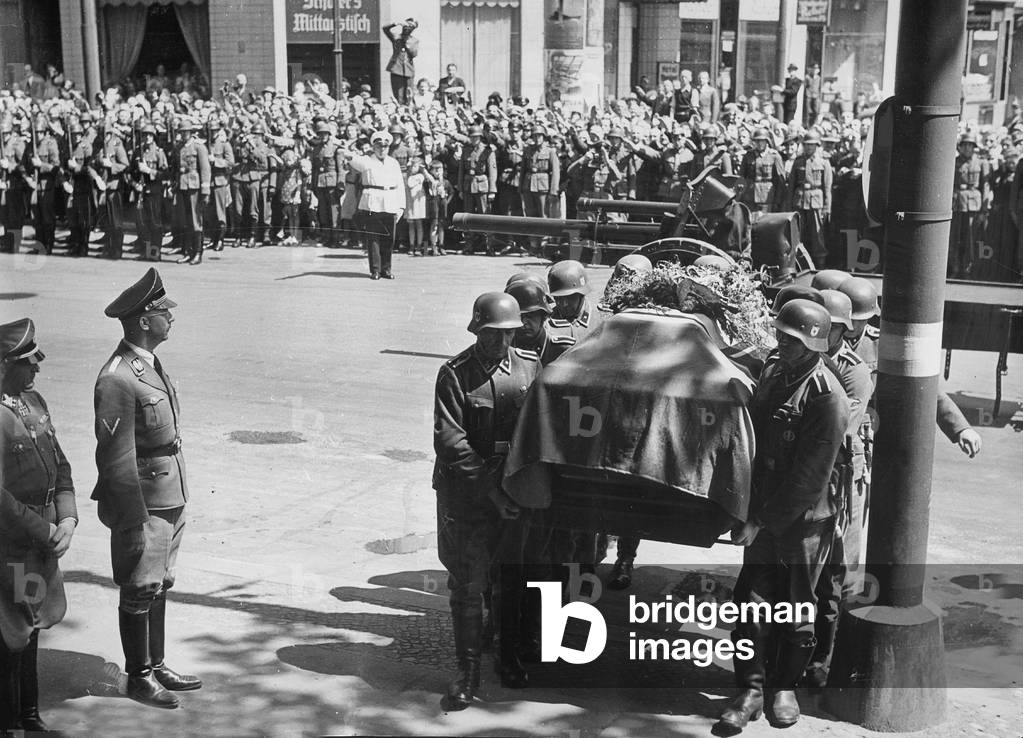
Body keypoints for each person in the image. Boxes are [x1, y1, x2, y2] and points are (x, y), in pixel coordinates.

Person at [720, 299, 849, 730]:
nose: (781, 342)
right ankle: (751, 689)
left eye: (791, 340)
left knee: (796, 607)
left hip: (804, 522)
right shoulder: (775, 372)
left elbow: (808, 481)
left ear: (813, 344)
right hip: (763, 513)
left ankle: (784, 687)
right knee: (753, 605)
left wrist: (759, 521)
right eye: (781, 335)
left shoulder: (828, 397)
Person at [92, 268, 202, 710]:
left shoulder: (148, 364)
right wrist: (133, 519)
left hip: (170, 492)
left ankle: (155, 663)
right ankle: (138, 676)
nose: (170, 318)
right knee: (140, 585)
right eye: (162, 312)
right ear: (142, 320)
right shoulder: (117, 377)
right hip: (144, 501)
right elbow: (114, 457)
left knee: (160, 582)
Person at [433, 292, 541, 710]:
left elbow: (539, 430)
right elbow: (450, 442)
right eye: (493, 334)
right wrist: (492, 492)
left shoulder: (531, 368)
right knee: (469, 585)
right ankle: (468, 670)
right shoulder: (455, 374)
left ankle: (509, 657)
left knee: (513, 578)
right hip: (468, 497)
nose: (501, 343)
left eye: (508, 334)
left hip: (513, 491)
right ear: (477, 330)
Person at [0, 318, 77, 733]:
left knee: (31, 625)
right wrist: (44, 530)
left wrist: (66, 517)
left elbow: (60, 464)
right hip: (13, 543)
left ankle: (28, 716)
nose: (37, 369)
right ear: (4, 365)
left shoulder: (34, 402)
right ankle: (9, 721)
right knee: (12, 632)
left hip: (41, 543)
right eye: (28, 362)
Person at [804, 290, 873, 688]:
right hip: (804, 476)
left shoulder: (853, 370)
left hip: (838, 478)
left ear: (841, 331)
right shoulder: (796, 361)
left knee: (836, 571)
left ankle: (822, 660)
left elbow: (838, 429)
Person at [346, 130, 406, 279]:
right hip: (372, 203)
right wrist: (347, 143)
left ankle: (386, 269)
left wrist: (401, 206)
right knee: (373, 239)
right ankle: (376, 270)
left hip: (390, 202)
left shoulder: (393, 163)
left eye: (385, 147)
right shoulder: (366, 161)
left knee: (388, 239)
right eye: (378, 146)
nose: (382, 149)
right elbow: (348, 156)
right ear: (373, 147)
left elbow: (400, 185)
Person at [786, 131, 833, 267]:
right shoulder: (798, 160)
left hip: (816, 203)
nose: (808, 148)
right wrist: (789, 206)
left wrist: (826, 208)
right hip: (800, 201)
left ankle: (820, 265)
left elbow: (827, 188)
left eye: (811, 145)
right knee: (799, 235)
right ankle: (799, 264)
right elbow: (791, 186)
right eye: (806, 145)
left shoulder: (824, 162)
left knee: (817, 236)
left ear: (817, 146)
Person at [949, 131, 989, 278]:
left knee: (971, 239)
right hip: (957, 204)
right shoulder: (954, 161)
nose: (967, 148)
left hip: (974, 206)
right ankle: (955, 266)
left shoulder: (981, 162)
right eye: (964, 145)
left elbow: (985, 186)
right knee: (955, 237)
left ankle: (968, 268)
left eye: (970, 146)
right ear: (960, 147)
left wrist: (984, 210)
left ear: (974, 147)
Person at [172, 118, 211, 265]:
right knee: (186, 221)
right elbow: (175, 168)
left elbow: (205, 170)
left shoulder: (199, 147)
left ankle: (198, 252)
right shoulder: (179, 147)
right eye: (182, 132)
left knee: (196, 221)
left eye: (186, 132)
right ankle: (188, 251)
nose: (184, 134)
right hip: (183, 186)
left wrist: (205, 190)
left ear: (191, 132)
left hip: (195, 187)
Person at [458, 126, 497, 255]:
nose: (474, 139)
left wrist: (492, 190)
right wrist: (460, 188)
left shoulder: (487, 151)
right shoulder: (466, 150)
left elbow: (492, 172)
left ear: (480, 137)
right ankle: (469, 245)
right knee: (467, 217)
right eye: (472, 137)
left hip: (482, 186)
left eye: (476, 137)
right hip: (468, 185)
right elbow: (461, 171)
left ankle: (489, 245)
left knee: (485, 216)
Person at [133, 125, 169, 261]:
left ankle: (155, 253)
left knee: (155, 223)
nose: (147, 137)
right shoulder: (138, 152)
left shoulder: (159, 153)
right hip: (141, 192)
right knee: (144, 223)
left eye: (150, 135)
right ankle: (147, 252)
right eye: (145, 135)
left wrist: (149, 171)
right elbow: (131, 172)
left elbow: (165, 174)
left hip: (154, 191)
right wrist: (135, 184)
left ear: (154, 137)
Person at [739, 127, 787, 219]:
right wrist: (740, 197)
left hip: (767, 197)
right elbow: (741, 177)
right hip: (750, 195)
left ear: (767, 141)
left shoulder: (774, 156)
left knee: (765, 224)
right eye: (757, 141)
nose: (760, 144)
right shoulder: (748, 156)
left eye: (762, 141)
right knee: (749, 223)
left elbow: (780, 182)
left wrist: (777, 200)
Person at [384, 19, 420, 105]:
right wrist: (396, 23)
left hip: (408, 70)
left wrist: (408, 45)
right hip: (397, 68)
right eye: (407, 25)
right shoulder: (396, 37)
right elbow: (385, 29)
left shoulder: (414, 40)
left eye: (411, 27)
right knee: (399, 95)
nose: (408, 28)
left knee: (409, 93)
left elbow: (414, 54)